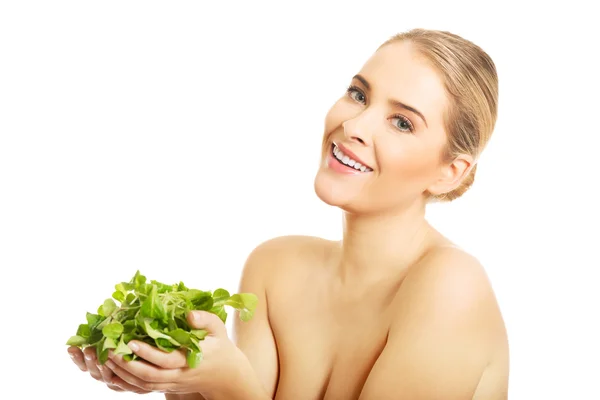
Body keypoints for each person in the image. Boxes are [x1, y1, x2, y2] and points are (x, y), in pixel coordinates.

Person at [68, 28, 510, 399]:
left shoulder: (451, 287)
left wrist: (230, 381)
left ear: (450, 173)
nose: (353, 126)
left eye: (402, 123)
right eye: (359, 94)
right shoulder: (274, 268)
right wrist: (183, 380)